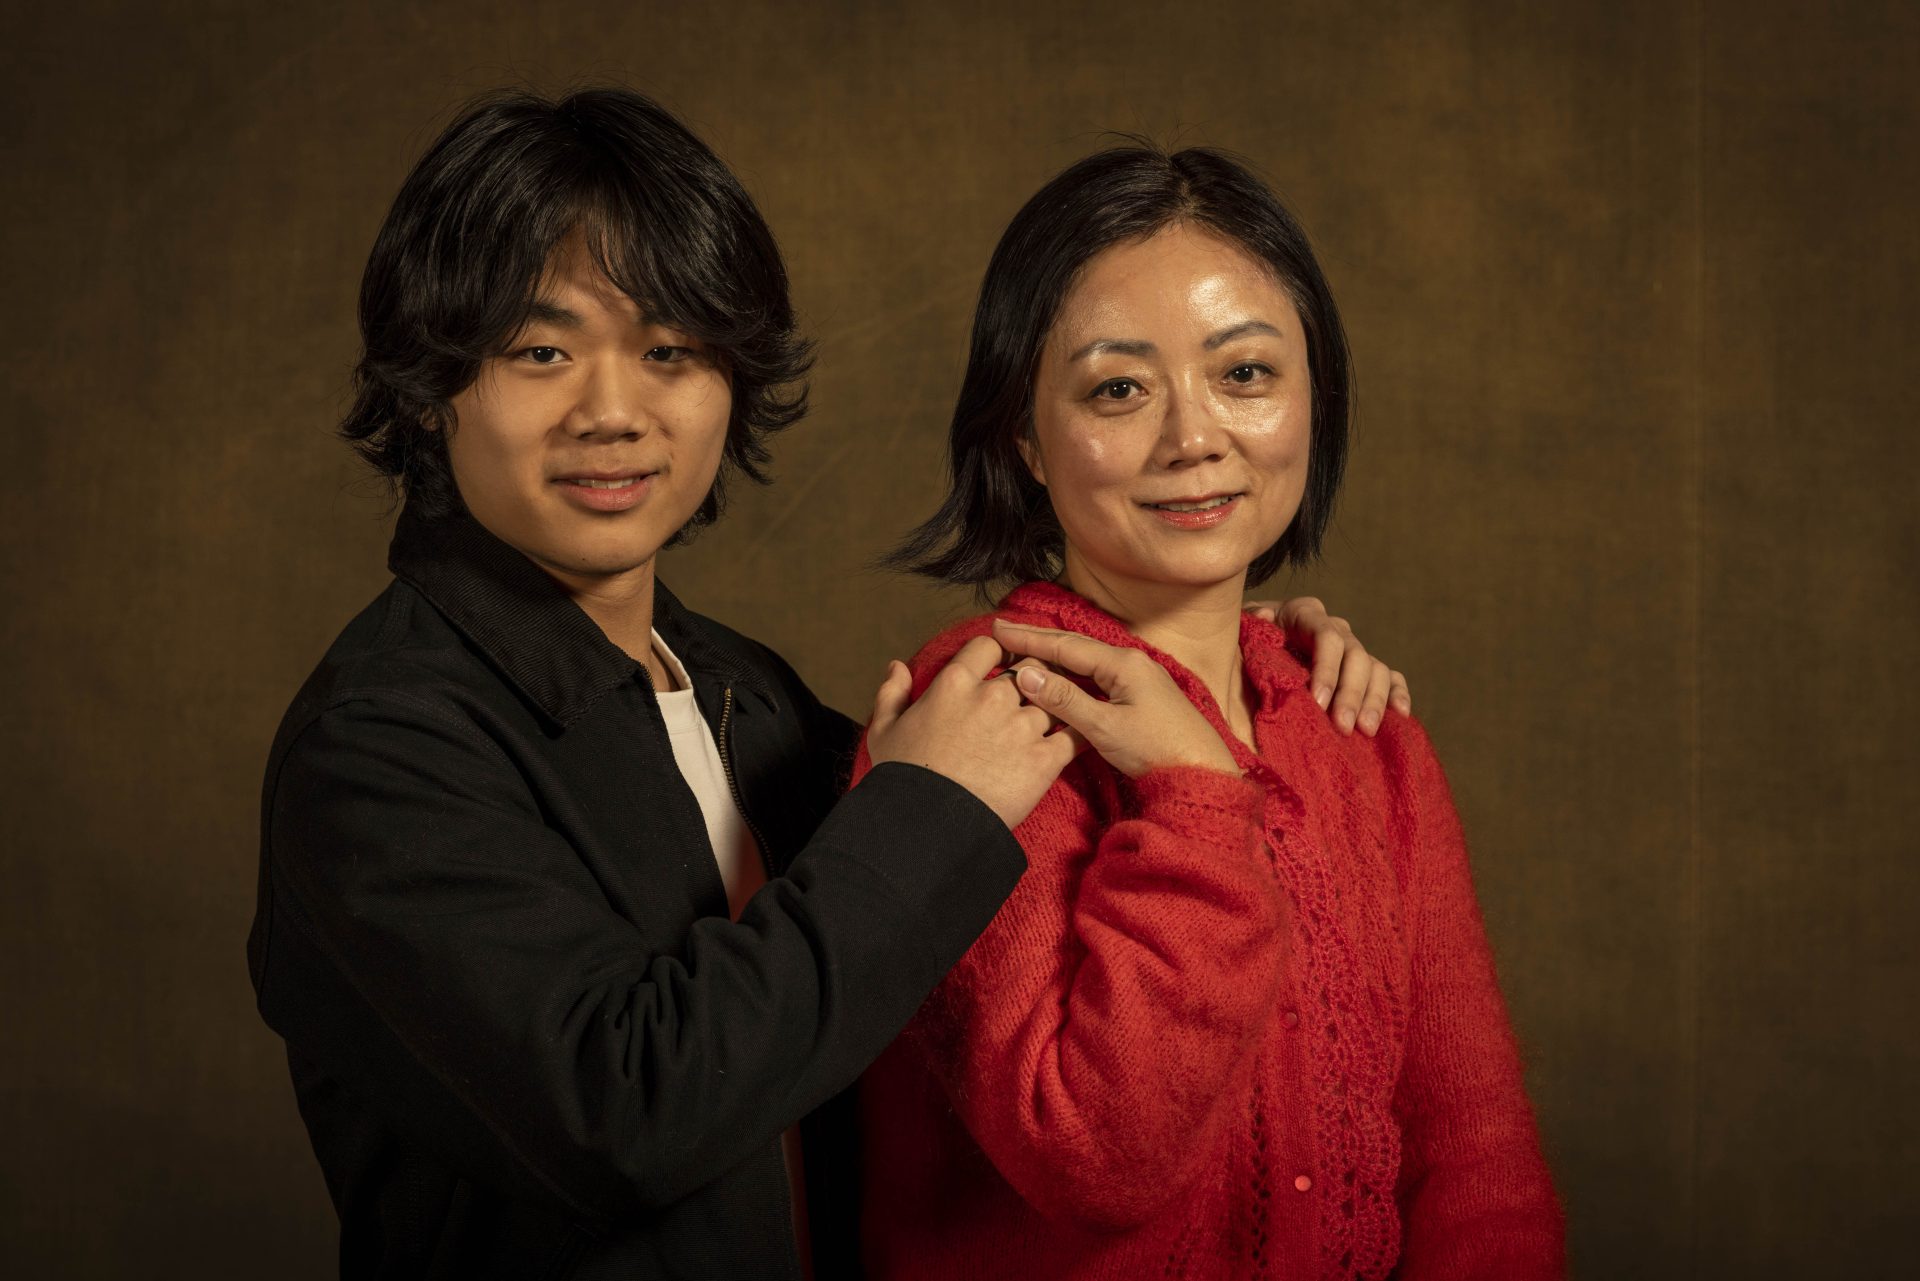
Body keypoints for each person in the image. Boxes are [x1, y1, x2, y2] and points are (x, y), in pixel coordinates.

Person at [246, 89, 1404, 1279]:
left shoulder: (744, 696)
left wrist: (1218, 646)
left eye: (669, 352)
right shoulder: (377, 745)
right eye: (542, 352)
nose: (614, 412)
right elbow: (625, 1111)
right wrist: (932, 807)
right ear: (431, 387)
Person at [853, 144, 1564, 1280]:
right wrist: (1194, 800)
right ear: (1024, 438)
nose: (1194, 437)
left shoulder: (1361, 729)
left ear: (1313, 398)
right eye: (1118, 389)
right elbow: (1096, 1156)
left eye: (1245, 373)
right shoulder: (978, 723)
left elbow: (1477, 1162)